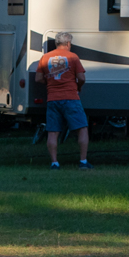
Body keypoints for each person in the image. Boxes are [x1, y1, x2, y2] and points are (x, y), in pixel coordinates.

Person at [37, 31, 89, 170]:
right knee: (82, 128)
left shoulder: (45, 57)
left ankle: (54, 163)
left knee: (53, 132)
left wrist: (50, 83)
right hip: (71, 98)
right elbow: (81, 78)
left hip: (52, 99)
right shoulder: (72, 57)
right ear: (68, 43)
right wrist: (78, 87)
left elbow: (38, 78)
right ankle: (83, 162)